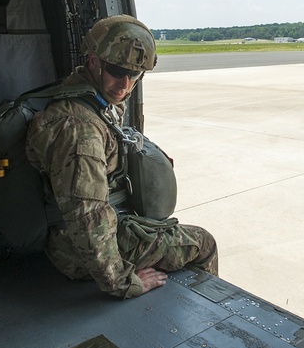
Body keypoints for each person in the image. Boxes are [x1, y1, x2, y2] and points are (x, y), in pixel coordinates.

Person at [25, 15, 217, 299]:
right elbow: (86, 215)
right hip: (78, 249)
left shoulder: (92, 99)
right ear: (93, 62)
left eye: (135, 75)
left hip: (89, 233)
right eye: (116, 71)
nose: (125, 85)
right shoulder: (81, 130)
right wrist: (122, 281)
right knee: (203, 243)